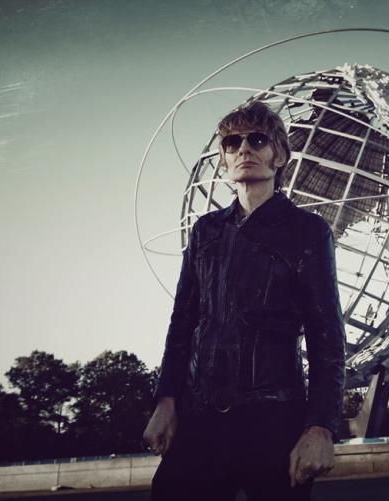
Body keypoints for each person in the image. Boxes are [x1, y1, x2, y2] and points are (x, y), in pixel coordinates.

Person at [143, 101, 346, 501]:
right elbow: (182, 322)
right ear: (222, 160)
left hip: (275, 421)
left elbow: (327, 335)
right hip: (200, 418)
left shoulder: (308, 231)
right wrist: (166, 400)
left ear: (280, 155)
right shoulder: (205, 232)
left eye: (257, 139)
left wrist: (321, 426)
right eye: (232, 143)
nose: (244, 150)